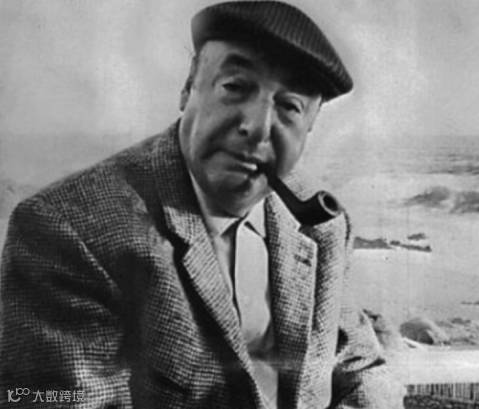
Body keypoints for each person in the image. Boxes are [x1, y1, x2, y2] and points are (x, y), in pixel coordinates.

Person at [0, 1, 405, 408]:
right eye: (235, 87)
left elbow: (362, 368)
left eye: (289, 107)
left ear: (310, 127)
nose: (256, 127)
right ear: (188, 87)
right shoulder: (67, 229)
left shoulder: (321, 224)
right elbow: (51, 398)